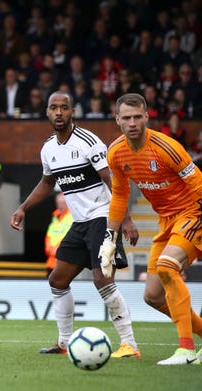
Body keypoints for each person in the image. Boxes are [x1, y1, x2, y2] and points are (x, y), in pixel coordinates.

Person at [9, 91, 140, 359]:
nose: (59, 112)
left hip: (102, 217)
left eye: (64, 108)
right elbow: (47, 183)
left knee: (102, 279)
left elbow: (112, 180)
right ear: (47, 112)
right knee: (57, 280)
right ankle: (65, 342)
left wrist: (125, 219)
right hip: (79, 222)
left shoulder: (89, 142)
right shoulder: (48, 148)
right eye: (54, 108)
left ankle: (130, 345)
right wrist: (23, 208)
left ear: (72, 112)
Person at [101, 93, 202, 365]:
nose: (132, 122)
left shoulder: (167, 147)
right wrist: (110, 239)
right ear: (117, 120)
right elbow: (120, 195)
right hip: (166, 221)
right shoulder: (116, 153)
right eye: (126, 118)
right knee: (153, 295)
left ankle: (185, 348)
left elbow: (198, 185)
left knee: (168, 266)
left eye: (137, 116)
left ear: (146, 117)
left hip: (194, 212)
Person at [44, 193, 73, 275]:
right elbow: (49, 235)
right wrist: (49, 247)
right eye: (58, 203)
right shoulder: (55, 217)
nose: (60, 205)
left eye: (63, 203)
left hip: (64, 261)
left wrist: (58, 248)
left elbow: (70, 236)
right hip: (51, 261)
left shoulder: (72, 217)